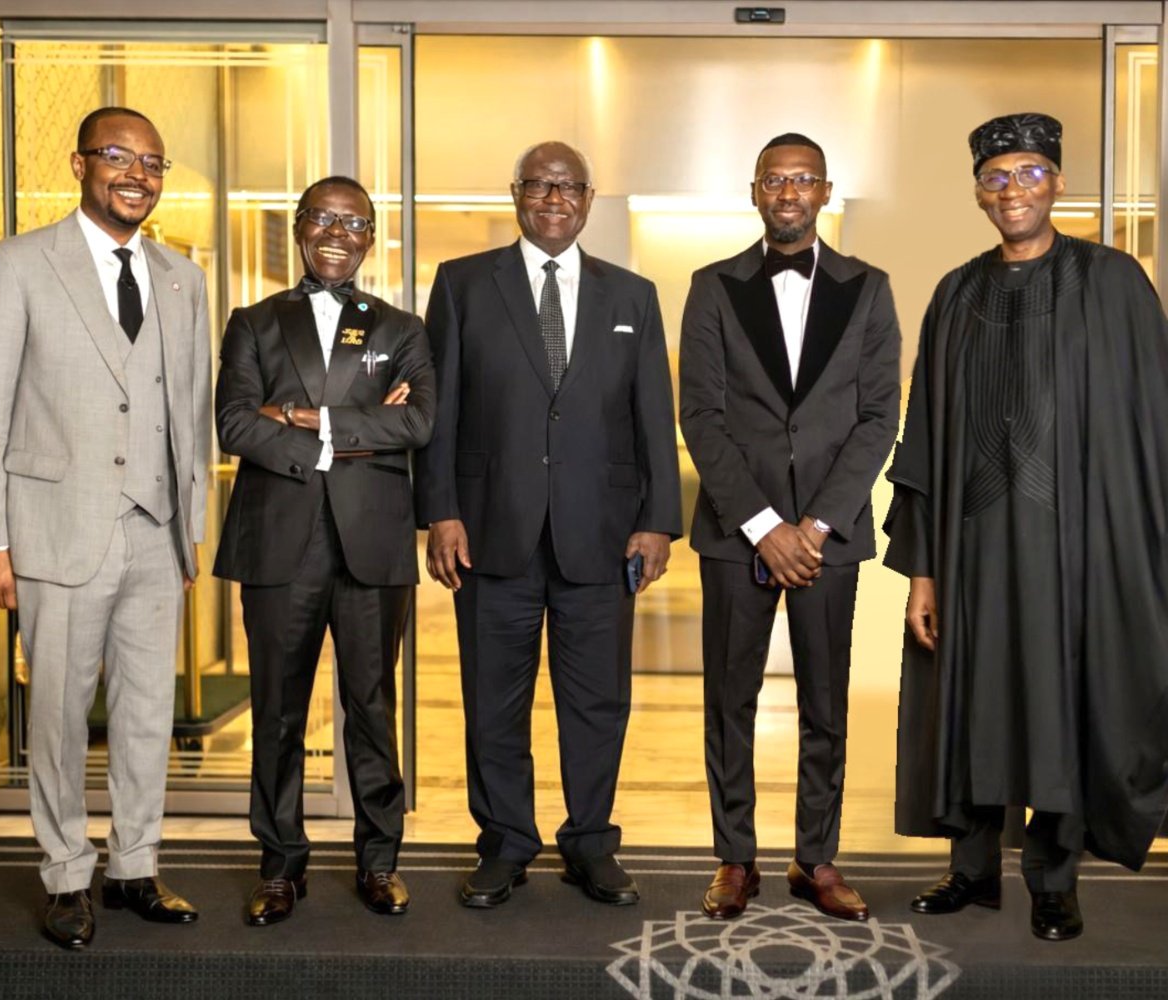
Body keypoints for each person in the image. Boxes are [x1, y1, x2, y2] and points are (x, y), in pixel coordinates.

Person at [885, 112, 1168, 942]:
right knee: (970, 699)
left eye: (1030, 173)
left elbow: (1149, 424)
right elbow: (925, 439)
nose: (1013, 190)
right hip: (971, 550)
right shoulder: (956, 294)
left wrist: (1130, 553)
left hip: (1075, 549)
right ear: (979, 192)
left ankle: (1054, 880)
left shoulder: (1113, 284)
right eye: (997, 177)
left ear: (1059, 183)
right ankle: (971, 871)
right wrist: (925, 571)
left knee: (1062, 703)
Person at [414, 140, 681, 909]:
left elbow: (652, 418)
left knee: (597, 702)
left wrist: (659, 521)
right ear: (516, 194)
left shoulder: (632, 296)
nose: (554, 199)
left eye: (568, 187)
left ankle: (590, 843)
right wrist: (441, 511)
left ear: (588, 200)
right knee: (493, 700)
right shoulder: (463, 285)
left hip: (601, 535)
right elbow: (441, 411)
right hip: (490, 532)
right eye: (539, 185)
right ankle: (505, 844)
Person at [0, 107, 210, 948]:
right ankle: (67, 872)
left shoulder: (182, 278)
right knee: (60, 715)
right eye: (118, 156)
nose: (137, 174)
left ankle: (134, 866)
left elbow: (191, 411)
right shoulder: (18, 264)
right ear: (80, 164)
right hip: (58, 528)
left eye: (152, 162)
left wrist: (189, 529)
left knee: (147, 713)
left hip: (155, 533)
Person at [679, 133, 900, 922]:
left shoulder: (868, 288)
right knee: (729, 698)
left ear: (825, 192)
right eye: (775, 179)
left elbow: (878, 418)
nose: (789, 192)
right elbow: (700, 416)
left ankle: (816, 858)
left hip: (828, 535)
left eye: (804, 179)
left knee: (825, 703)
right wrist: (764, 525)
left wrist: (816, 525)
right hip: (736, 529)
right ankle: (735, 858)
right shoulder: (711, 287)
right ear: (754, 191)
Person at [213, 176, 435, 924]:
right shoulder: (253, 322)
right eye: (325, 219)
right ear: (299, 226)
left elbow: (420, 424)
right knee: (278, 711)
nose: (339, 234)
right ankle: (280, 866)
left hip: (372, 541)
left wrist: (307, 418)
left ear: (371, 238)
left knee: (371, 706)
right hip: (280, 540)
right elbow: (235, 425)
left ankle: (379, 860)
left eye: (356, 223)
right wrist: (355, 430)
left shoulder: (402, 328)